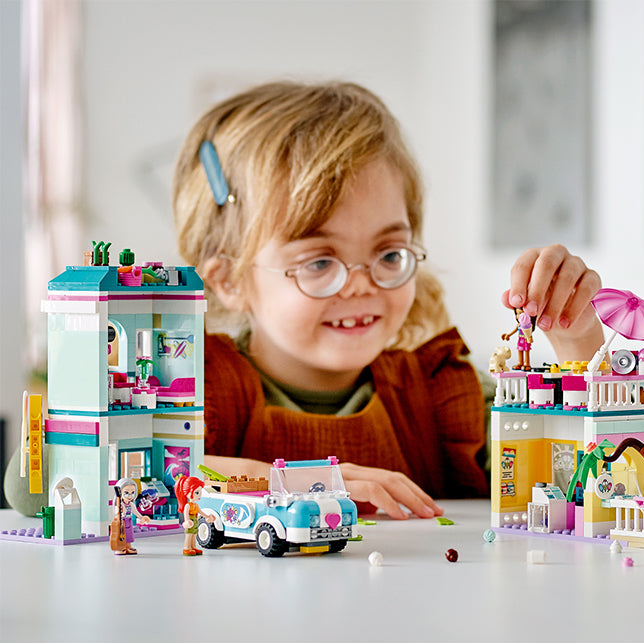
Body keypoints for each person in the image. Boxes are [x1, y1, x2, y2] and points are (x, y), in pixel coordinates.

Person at [172, 81, 602, 520]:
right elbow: (152, 481)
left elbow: (584, 486)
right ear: (229, 280)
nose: (361, 286)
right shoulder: (195, 398)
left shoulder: (446, 399)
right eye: (319, 262)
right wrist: (303, 483)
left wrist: (577, 339)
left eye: (389, 254)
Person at [175, 475, 216, 556]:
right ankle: (187, 548)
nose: (199, 495)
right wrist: (187, 521)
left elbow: (201, 512)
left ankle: (193, 547)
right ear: (188, 492)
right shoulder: (188, 505)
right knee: (189, 535)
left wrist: (207, 516)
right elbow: (186, 514)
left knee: (194, 535)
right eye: (197, 493)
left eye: (200, 492)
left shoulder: (196, 505)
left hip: (195, 522)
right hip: (191, 522)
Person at [112, 477, 150, 555]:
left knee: (129, 534)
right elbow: (116, 512)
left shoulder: (131, 504)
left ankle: (128, 546)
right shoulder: (120, 504)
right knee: (120, 534)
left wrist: (141, 517)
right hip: (121, 521)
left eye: (132, 493)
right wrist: (118, 510)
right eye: (126, 493)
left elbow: (135, 512)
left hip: (129, 521)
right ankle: (120, 547)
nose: (130, 496)